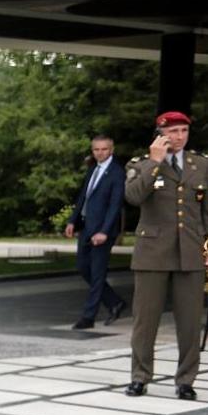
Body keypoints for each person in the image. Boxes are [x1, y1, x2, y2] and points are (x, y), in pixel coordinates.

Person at [124, 111, 208, 399]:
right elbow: (133, 197)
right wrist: (154, 162)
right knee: (145, 322)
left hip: (190, 251)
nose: (179, 137)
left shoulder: (201, 164)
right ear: (160, 133)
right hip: (153, 253)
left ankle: (186, 380)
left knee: (189, 323)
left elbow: (206, 212)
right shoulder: (141, 164)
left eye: (183, 131)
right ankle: (140, 377)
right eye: (173, 131)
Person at [66, 134, 127, 329]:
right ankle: (114, 302)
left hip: (102, 231)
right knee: (83, 267)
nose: (100, 153)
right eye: (96, 149)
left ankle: (88, 317)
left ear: (112, 150)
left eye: (104, 149)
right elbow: (83, 196)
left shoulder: (117, 173)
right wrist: (72, 221)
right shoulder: (93, 169)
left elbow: (115, 205)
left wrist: (105, 231)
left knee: (97, 272)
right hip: (86, 227)